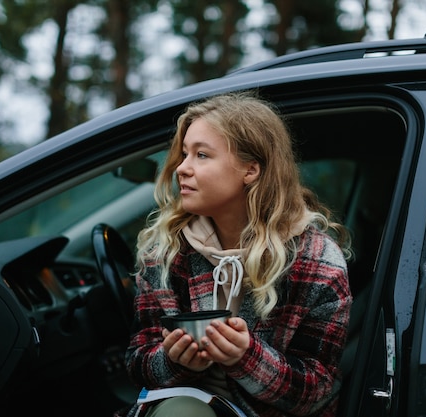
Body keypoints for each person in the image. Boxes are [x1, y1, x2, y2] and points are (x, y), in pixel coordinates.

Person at [118, 91, 352, 417]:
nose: (182, 168)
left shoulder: (317, 262)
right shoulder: (165, 251)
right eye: (184, 154)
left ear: (250, 170)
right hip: (180, 403)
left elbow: (317, 391)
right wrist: (172, 361)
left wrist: (246, 357)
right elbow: (137, 362)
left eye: (201, 155)